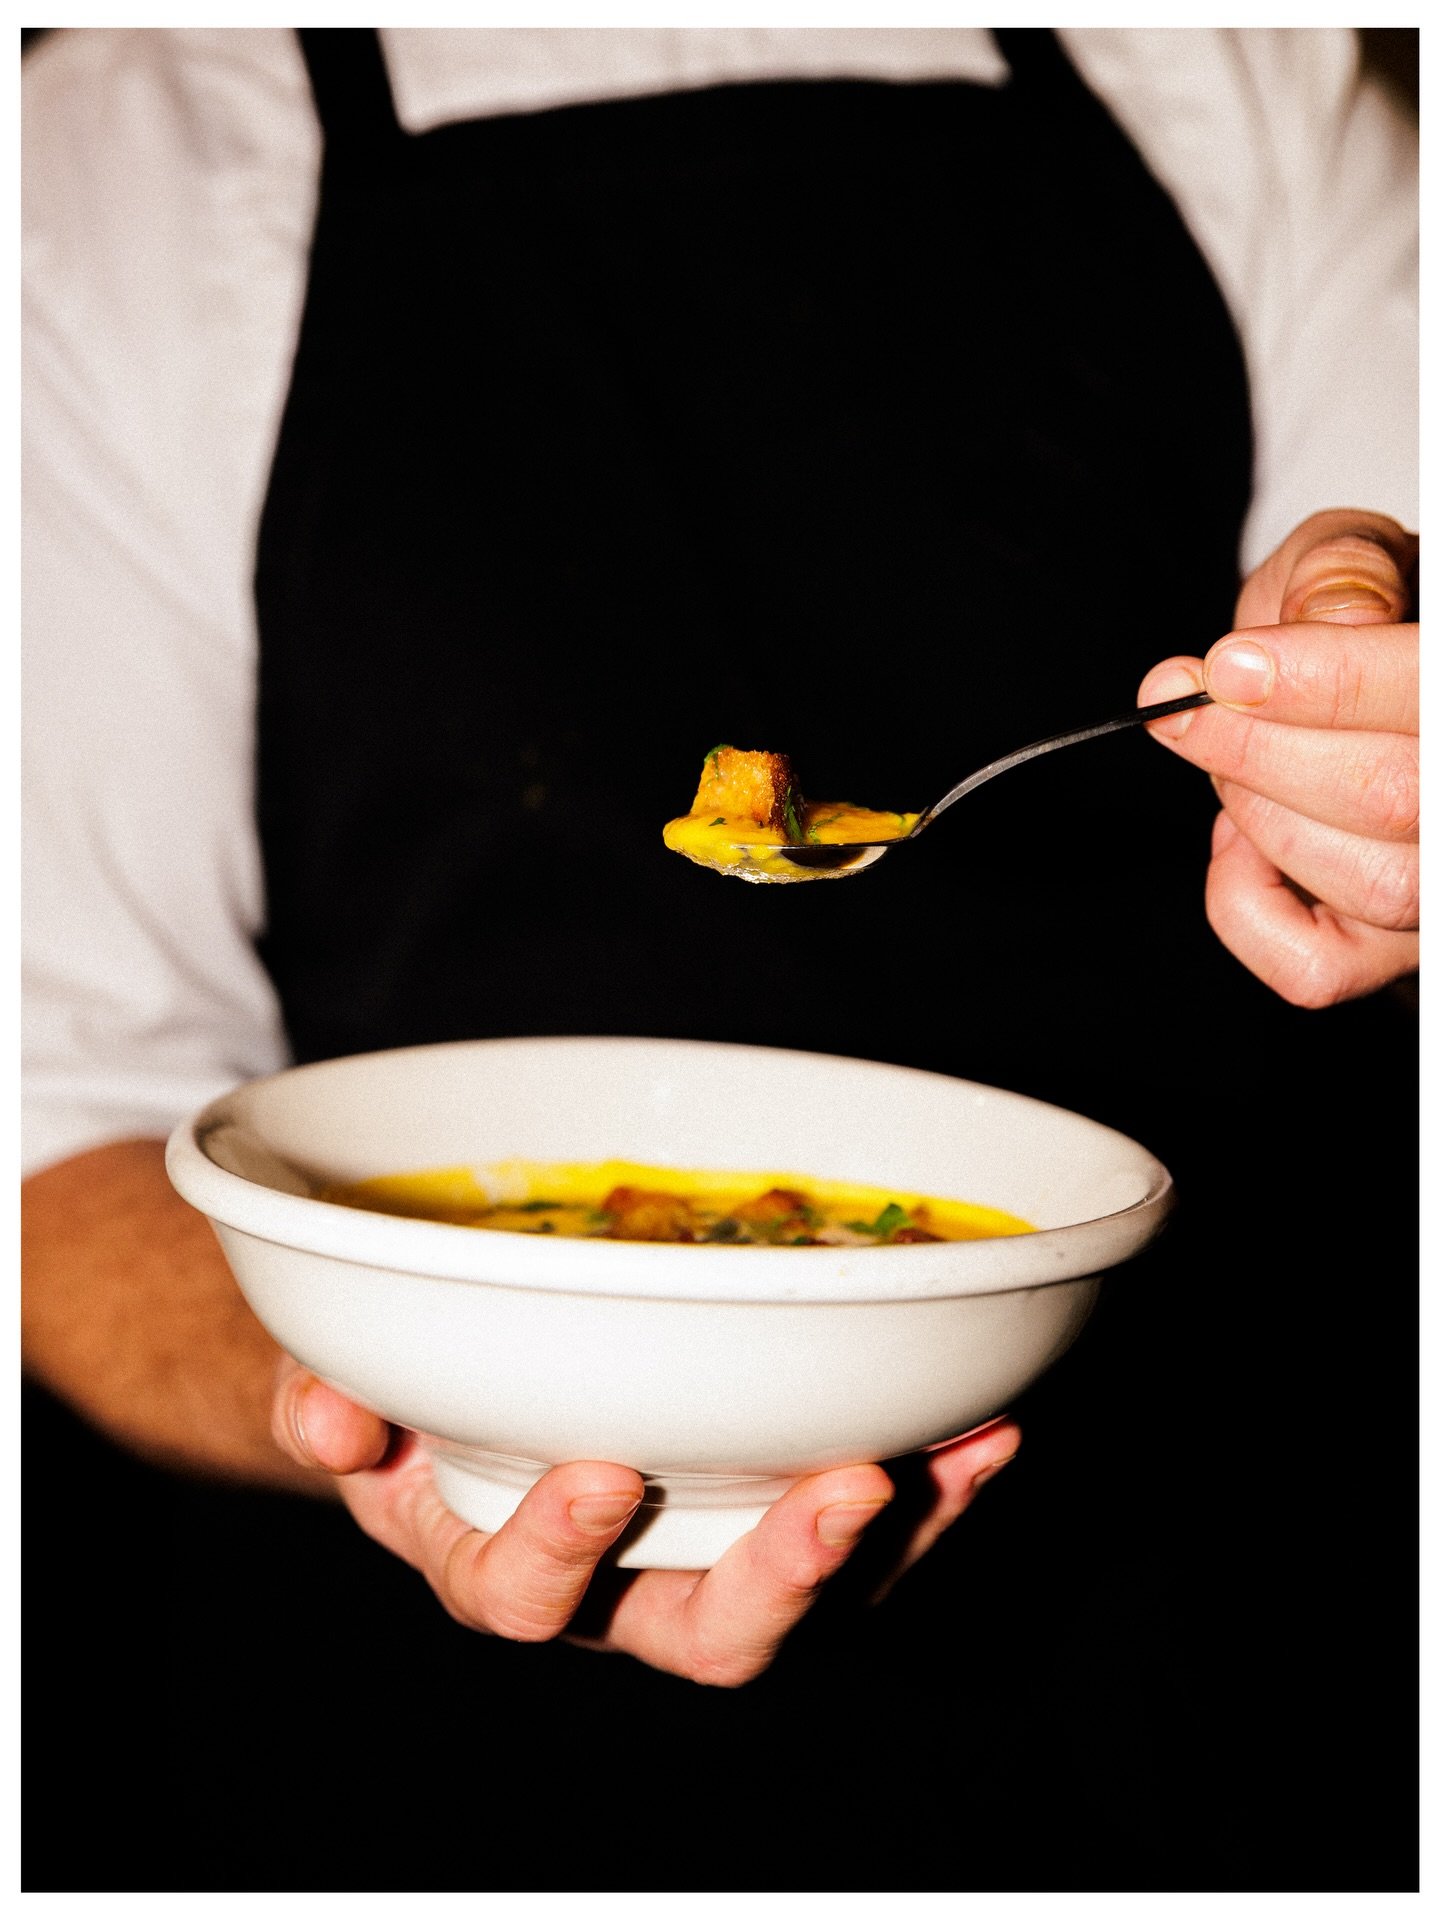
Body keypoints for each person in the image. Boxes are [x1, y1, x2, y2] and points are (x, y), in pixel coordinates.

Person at [22, 27, 1417, 1892]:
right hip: (418, 1737)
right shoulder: (118, 137)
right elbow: (58, 1143)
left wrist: (1371, 713)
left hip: (1264, 1581)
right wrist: (408, 1439)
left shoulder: (1237, 51)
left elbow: (1388, 590)